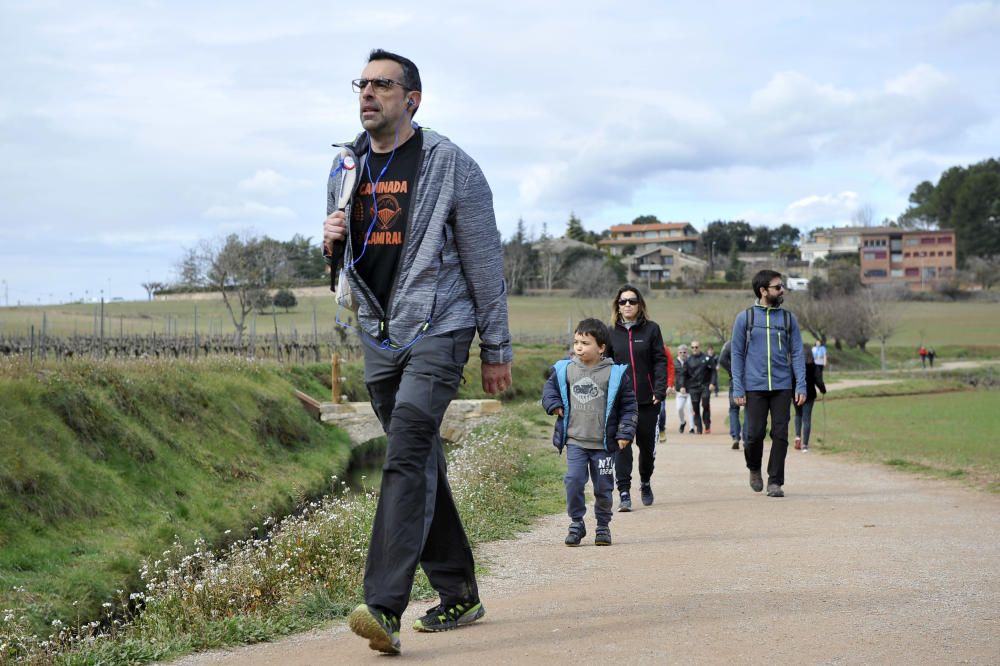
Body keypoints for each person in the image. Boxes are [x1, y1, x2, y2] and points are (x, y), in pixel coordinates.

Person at [323, 49, 512, 655]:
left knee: (405, 444)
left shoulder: (450, 164)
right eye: (363, 83)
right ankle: (458, 590)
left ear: (413, 98)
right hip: (378, 333)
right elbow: (347, 260)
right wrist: (328, 244)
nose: (368, 93)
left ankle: (383, 606)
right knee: (422, 457)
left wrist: (496, 346)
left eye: (383, 84)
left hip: (441, 326)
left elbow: (484, 261)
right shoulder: (346, 165)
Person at [543, 318, 638, 547]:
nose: (578, 347)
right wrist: (554, 404)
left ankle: (603, 525)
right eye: (576, 342)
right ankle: (576, 523)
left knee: (603, 487)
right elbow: (549, 389)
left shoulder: (614, 374)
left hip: (603, 444)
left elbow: (629, 405)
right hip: (575, 440)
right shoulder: (565, 369)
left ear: (601, 347)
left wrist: (625, 433)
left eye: (585, 343)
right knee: (573, 481)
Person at [730, 270, 806, 498]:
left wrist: (801, 384)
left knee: (781, 434)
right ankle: (754, 468)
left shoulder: (787, 318)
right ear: (763, 291)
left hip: (783, 386)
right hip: (754, 386)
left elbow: (798, 353)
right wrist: (738, 387)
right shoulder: (746, 318)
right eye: (777, 287)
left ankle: (775, 481)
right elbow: (736, 353)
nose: (782, 290)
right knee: (753, 435)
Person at [608, 285, 667, 511]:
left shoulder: (652, 330)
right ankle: (623, 491)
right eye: (623, 302)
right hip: (621, 402)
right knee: (622, 446)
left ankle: (645, 481)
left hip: (647, 400)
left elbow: (660, 361)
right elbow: (606, 365)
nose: (628, 305)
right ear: (618, 306)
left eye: (632, 301)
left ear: (640, 304)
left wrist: (659, 390)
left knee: (647, 447)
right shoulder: (611, 332)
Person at [677, 340, 717, 434]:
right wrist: (682, 386)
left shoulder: (707, 358)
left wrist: (712, 383)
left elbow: (713, 371)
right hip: (693, 387)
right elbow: (683, 374)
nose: (694, 349)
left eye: (696, 347)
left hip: (705, 386)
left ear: (700, 347)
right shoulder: (688, 360)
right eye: (693, 347)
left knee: (705, 404)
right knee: (695, 407)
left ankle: (707, 424)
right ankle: (698, 427)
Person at [794, 352, 827, 452]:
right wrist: (823, 390)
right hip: (809, 395)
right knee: (807, 418)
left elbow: (791, 379)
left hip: (796, 394)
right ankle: (805, 445)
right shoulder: (814, 366)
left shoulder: (796, 365)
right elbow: (818, 381)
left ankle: (798, 438)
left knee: (798, 415)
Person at [718, 339, 747, 450]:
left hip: (735, 381)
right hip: (749, 380)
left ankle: (735, 436)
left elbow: (722, 360)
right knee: (748, 409)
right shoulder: (749, 342)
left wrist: (732, 371)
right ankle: (746, 438)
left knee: (734, 409)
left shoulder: (729, 344)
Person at [656, 344, 676, 443]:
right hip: (647, 383)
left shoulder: (663, 348)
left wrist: (669, 384)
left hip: (661, 383)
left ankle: (662, 429)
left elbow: (671, 366)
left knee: (661, 409)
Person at [674, 344, 695, 433]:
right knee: (679, 408)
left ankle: (692, 428)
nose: (682, 354)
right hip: (679, 390)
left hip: (690, 389)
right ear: (678, 353)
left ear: (687, 352)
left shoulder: (691, 361)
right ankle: (683, 422)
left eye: (684, 352)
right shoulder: (674, 362)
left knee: (690, 408)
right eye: (681, 352)